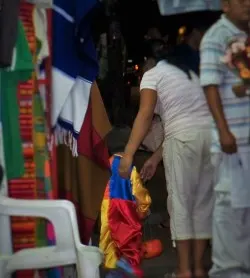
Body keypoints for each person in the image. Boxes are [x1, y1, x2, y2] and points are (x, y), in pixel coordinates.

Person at [119, 39, 214, 278]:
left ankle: (184, 271)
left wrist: (129, 153)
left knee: (181, 205)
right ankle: (199, 269)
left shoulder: (153, 75)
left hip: (183, 142)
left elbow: (145, 113)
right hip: (211, 140)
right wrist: (155, 158)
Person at [200, 1, 250, 277]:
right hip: (233, 144)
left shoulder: (246, 36)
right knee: (231, 213)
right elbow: (210, 85)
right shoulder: (216, 36)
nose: (248, 4)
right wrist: (223, 130)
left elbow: (240, 86)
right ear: (226, 4)